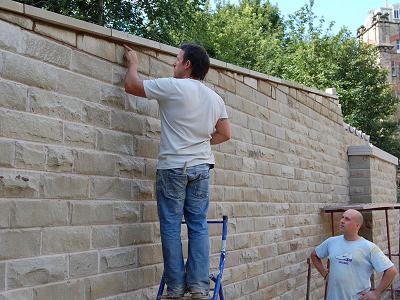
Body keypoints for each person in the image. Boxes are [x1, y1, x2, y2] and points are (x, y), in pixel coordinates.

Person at [124, 43, 231, 299]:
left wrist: (133, 63)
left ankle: (176, 287)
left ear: (187, 65)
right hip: (201, 168)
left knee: (171, 226)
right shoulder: (215, 98)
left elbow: (132, 86)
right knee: (198, 226)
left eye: (177, 59)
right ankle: (198, 287)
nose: (173, 63)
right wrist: (201, 142)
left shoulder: (173, 87)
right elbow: (225, 134)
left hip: (172, 168)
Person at [311, 209, 397, 300]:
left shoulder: (368, 247)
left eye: (347, 219)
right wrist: (325, 274)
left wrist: (376, 293)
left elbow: (391, 271)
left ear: (357, 225)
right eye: (342, 217)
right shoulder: (331, 241)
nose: (342, 221)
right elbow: (314, 255)